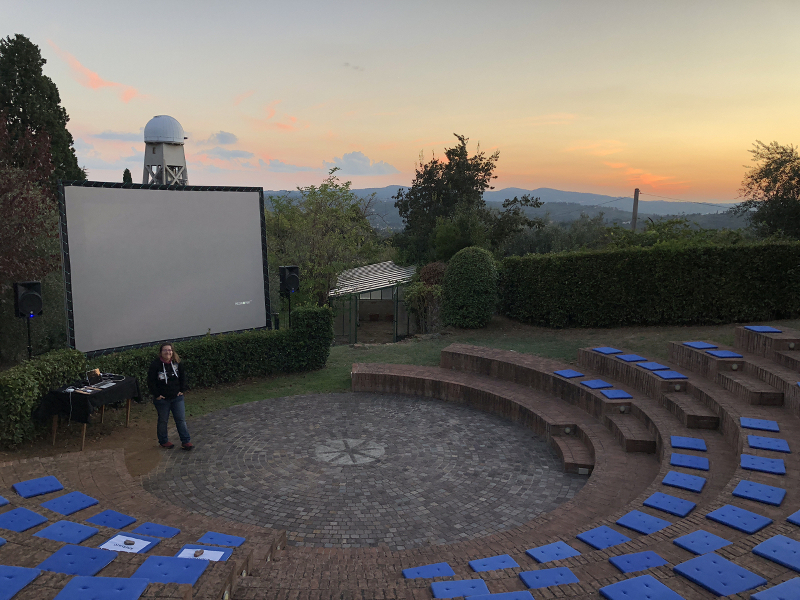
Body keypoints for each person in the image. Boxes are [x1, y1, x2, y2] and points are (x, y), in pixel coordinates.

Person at [147, 342, 193, 450]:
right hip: (162, 399)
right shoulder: (155, 365)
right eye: (165, 350)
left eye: (169, 350)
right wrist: (157, 395)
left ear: (172, 352)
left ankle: (186, 441)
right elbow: (151, 381)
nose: (168, 352)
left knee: (181, 419)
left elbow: (183, 377)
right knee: (163, 420)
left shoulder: (177, 363)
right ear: (161, 352)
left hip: (177, 398)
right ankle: (163, 441)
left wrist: (182, 389)